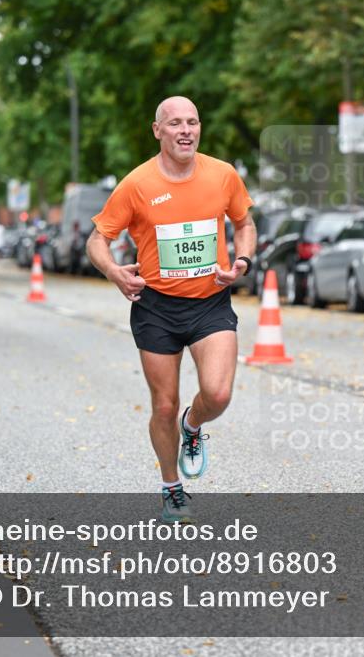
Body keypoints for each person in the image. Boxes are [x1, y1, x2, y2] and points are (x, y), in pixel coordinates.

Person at [86, 96, 256, 523]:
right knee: (163, 404)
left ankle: (193, 427)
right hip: (156, 307)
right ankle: (171, 487)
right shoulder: (137, 184)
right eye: (176, 123)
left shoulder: (222, 175)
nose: (186, 130)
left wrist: (243, 261)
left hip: (210, 301)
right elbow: (96, 241)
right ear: (157, 130)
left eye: (193, 122)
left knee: (217, 393)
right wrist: (113, 272)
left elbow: (244, 223)